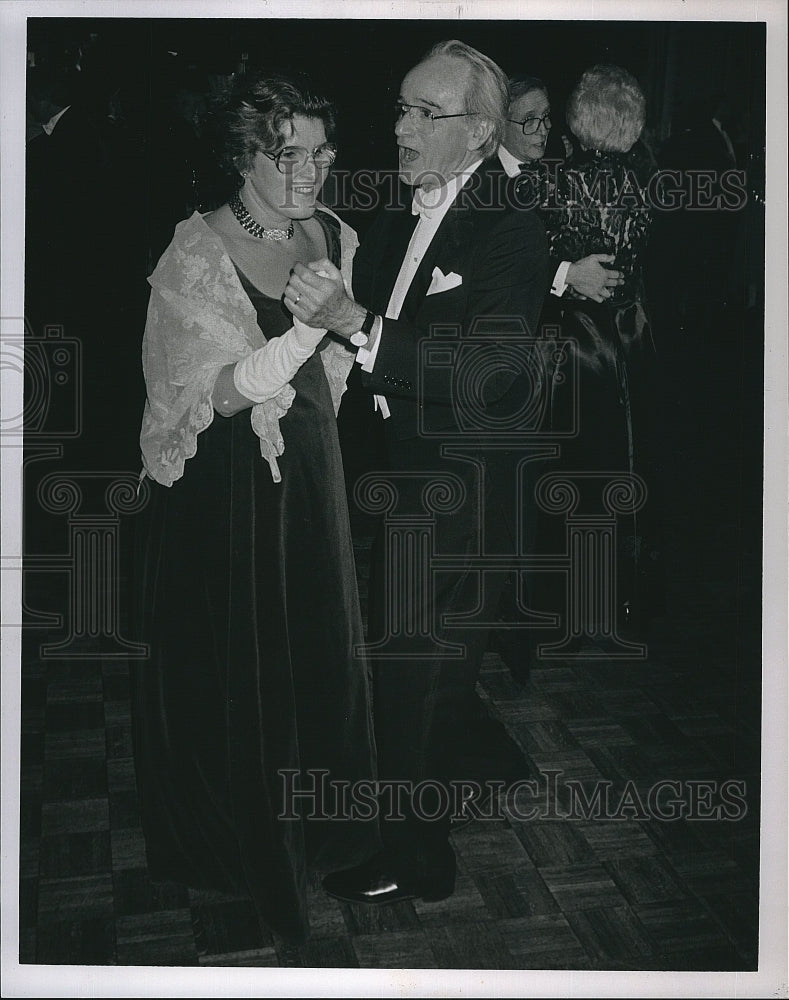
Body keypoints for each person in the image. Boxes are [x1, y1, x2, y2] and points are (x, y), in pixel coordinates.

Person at [282, 40, 552, 905]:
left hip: (465, 494)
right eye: (399, 107)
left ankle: (418, 856)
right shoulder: (407, 212)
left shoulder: (512, 226)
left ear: (476, 131)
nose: (399, 127)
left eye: (421, 113)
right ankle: (439, 794)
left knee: (416, 677)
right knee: (412, 670)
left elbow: (486, 372)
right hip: (405, 482)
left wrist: (354, 321)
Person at [131, 73, 379, 944]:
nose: (310, 171)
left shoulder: (331, 231)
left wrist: (333, 389)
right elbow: (217, 395)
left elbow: (336, 371)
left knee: (315, 645)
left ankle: (330, 835)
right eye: (289, 155)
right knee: (241, 661)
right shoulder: (195, 251)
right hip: (227, 488)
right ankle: (241, 845)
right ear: (244, 156)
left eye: (321, 151)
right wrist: (317, 329)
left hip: (305, 473)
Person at [492, 73, 627, 679]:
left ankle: (549, 618)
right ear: (496, 125)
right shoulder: (487, 183)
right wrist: (564, 275)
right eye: (529, 121)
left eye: (548, 120)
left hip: (560, 359)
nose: (542, 132)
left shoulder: (560, 180)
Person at [537, 64, 664, 639]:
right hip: (634, 335)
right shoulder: (649, 179)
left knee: (577, 466)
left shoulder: (558, 181)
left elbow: (540, 264)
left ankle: (577, 605)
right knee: (633, 459)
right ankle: (627, 600)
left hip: (580, 339)